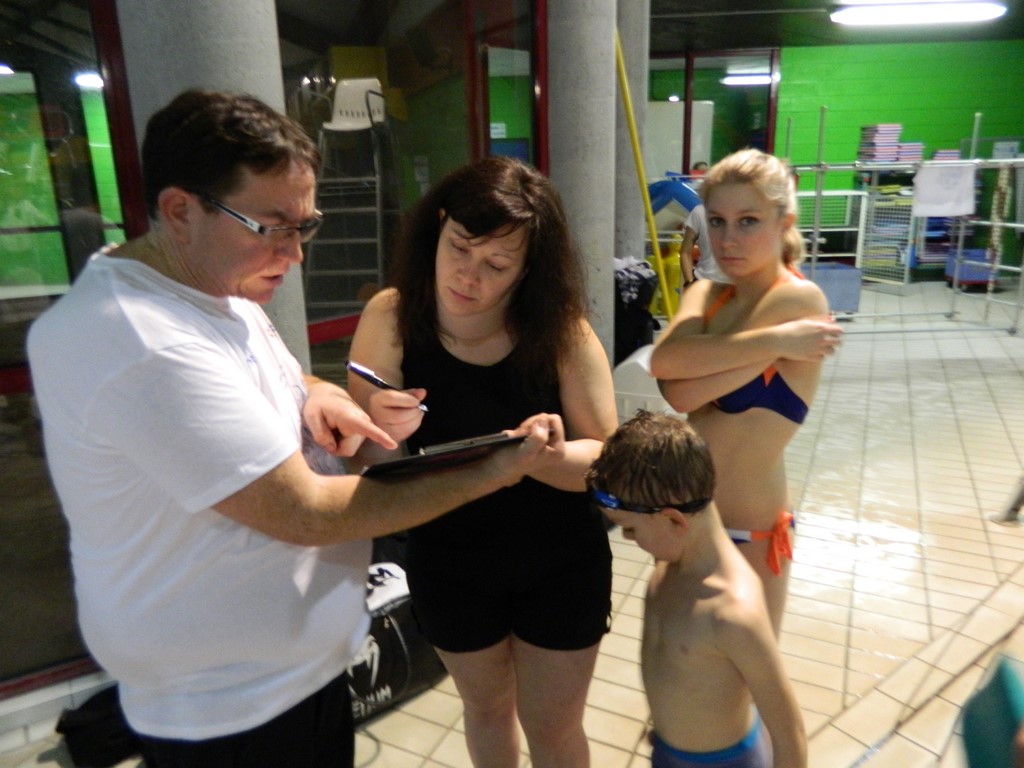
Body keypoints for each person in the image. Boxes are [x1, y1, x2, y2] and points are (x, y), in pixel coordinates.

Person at [26, 90, 563, 768]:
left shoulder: (209, 285)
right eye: (273, 227)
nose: (294, 253)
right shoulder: (142, 341)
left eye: (304, 226)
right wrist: (493, 469)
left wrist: (321, 397)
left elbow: (264, 376)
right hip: (230, 711)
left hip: (290, 681)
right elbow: (305, 512)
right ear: (180, 210)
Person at [348, 155, 618, 767]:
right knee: (486, 708)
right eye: (459, 247)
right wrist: (378, 422)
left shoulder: (562, 331)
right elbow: (369, 462)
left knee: (554, 726)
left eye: (496, 265)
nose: (468, 276)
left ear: (528, 270)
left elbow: (604, 460)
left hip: (559, 558)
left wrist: (544, 458)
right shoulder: (392, 315)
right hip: (449, 559)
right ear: (439, 225)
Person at [649, 148, 843, 634]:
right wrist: (776, 343)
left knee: (742, 672)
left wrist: (704, 362)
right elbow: (668, 373)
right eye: (717, 221)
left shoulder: (798, 298)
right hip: (685, 519)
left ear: (784, 222)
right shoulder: (705, 294)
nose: (728, 239)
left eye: (748, 221)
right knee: (676, 666)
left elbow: (681, 390)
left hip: (749, 530)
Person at [586, 410, 807, 768]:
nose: (628, 538)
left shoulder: (732, 611)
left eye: (630, 528)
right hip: (668, 750)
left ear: (674, 519)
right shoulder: (668, 567)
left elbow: (789, 731)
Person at [679, 203, 728, 289]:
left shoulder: (746, 213)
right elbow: (685, 252)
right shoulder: (700, 212)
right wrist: (689, 283)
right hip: (704, 283)